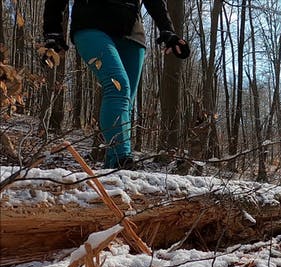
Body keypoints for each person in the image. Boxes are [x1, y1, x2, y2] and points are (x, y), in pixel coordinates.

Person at [43, 0, 190, 169]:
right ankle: (123, 160)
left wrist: (168, 30)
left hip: (132, 35)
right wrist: (52, 30)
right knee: (118, 86)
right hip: (91, 25)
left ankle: (113, 172)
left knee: (124, 103)